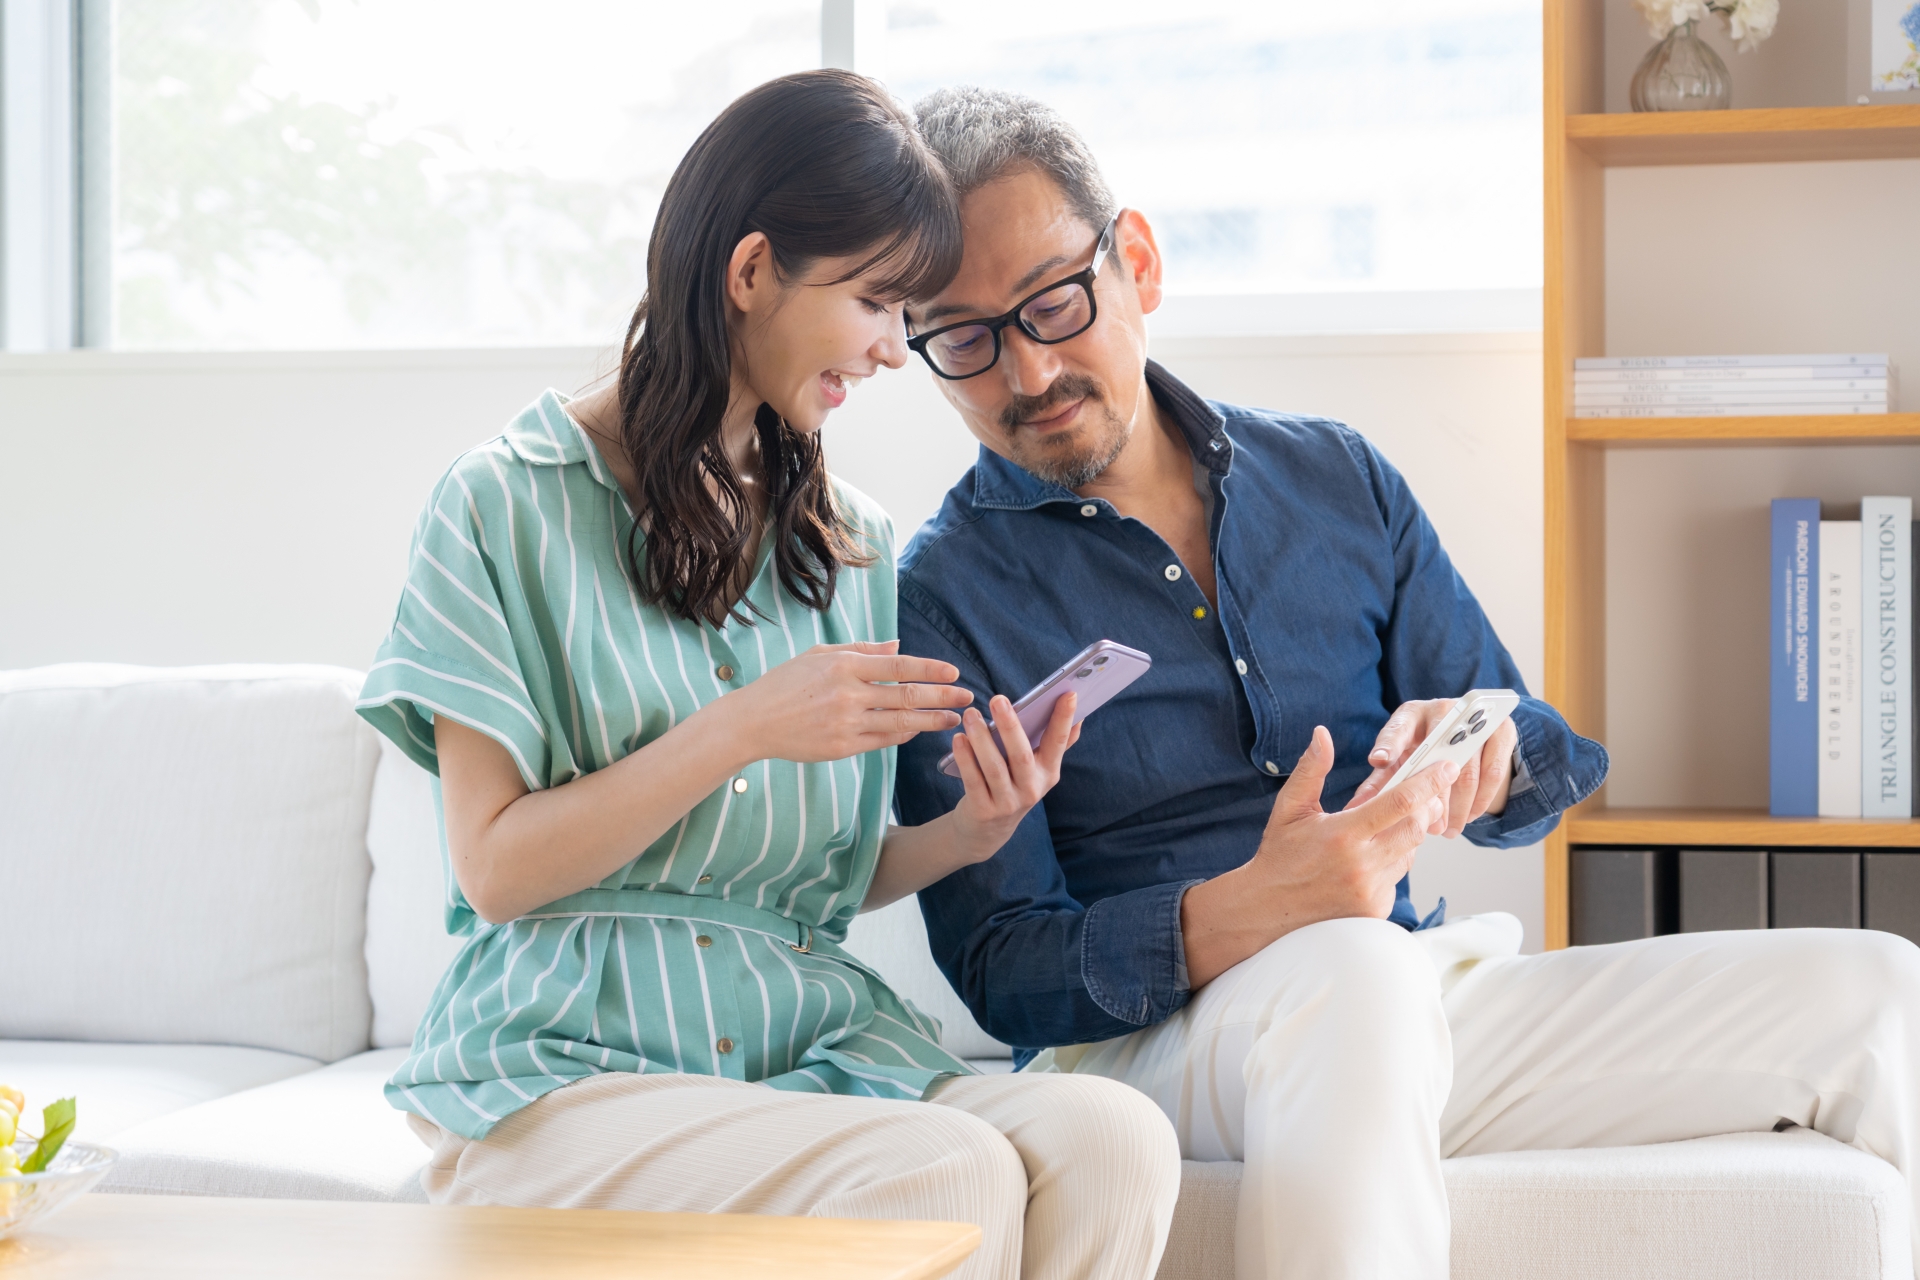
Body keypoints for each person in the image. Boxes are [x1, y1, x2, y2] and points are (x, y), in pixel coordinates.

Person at [891, 86, 1920, 1279]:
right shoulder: (944, 595)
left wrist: (1480, 745)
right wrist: (1252, 909)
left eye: (1053, 304)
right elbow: (1001, 967)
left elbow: (1541, 752)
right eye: (964, 339)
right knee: (1355, 970)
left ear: (1136, 260)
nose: (1027, 370)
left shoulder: (1332, 475)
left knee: (1875, 988)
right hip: (1153, 1047)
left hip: (1409, 991)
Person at [354, 71, 1180, 1280]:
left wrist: (974, 828)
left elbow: (813, 887)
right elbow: (495, 870)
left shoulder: (848, 540)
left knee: (1113, 1137)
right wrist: (742, 725)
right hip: (565, 1070)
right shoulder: (505, 501)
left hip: (805, 1044)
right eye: (874, 302)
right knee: (940, 1170)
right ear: (750, 273)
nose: (897, 351)